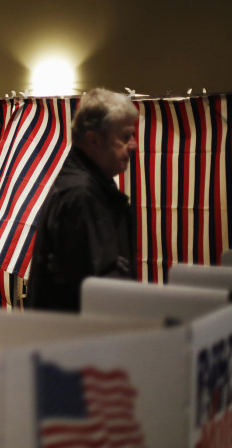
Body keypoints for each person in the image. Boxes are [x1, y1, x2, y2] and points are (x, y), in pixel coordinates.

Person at [26, 88, 138, 312]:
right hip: (75, 338)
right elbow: (102, 288)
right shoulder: (81, 195)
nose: (133, 145)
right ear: (93, 139)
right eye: (125, 137)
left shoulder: (87, 185)